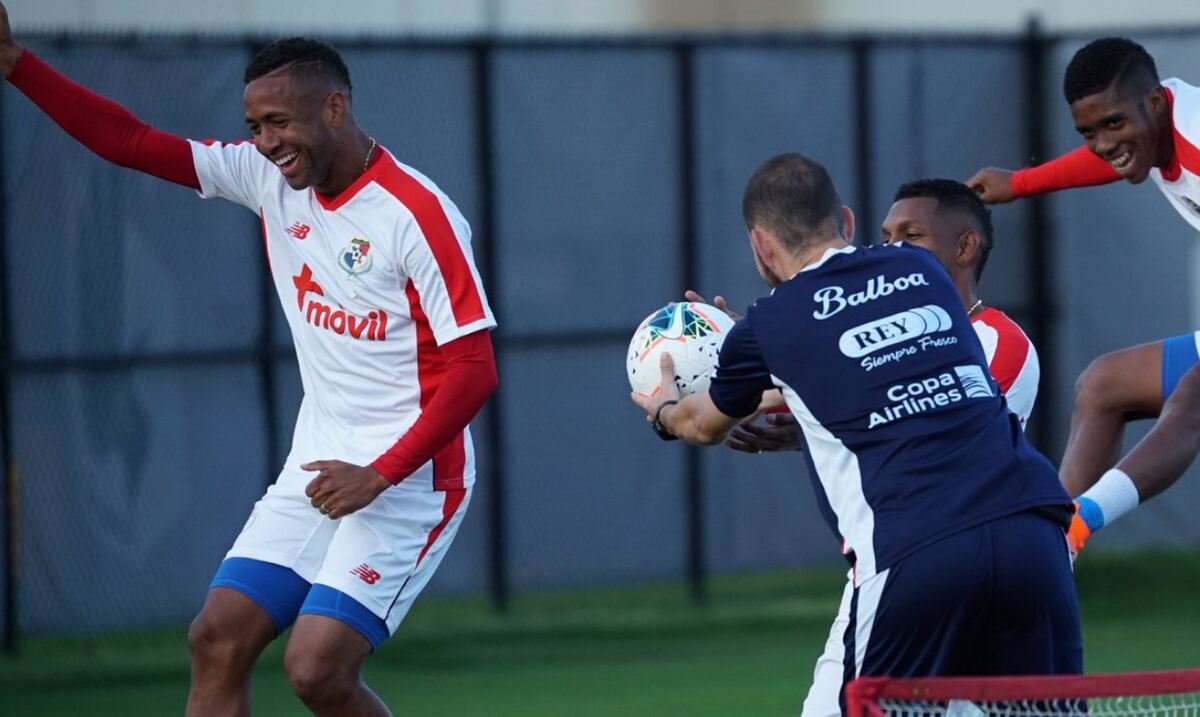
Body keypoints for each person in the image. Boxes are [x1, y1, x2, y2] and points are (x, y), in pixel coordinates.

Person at [0, 4, 498, 716]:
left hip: (412, 481)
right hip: (319, 468)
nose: (265, 143)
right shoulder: (269, 180)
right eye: (254, 126)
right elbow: (133, 141)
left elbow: (475, 369)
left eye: (279, 123)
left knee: (316, 669)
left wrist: (380, 473)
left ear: (334, 107)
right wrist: (17, 65)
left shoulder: (415, 214)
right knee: (216, 638)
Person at [634, 153, 1081, 706]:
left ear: (760, 245)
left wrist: (666, 407)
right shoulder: (924, 274)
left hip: (919, 548)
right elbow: (869, 370)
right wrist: (742, 356)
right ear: (846, 221)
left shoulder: (771, 324)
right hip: (1033, 533)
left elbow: (701, 425)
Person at [966, 37, 1200, 555]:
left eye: (1113, 123)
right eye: (1088, 131)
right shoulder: (1162, 128)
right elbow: (1112, 157)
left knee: (1194, 397)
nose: (1103, 143)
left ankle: (1074, 528)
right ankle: (1048, 550)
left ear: (1155, 104)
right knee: (1102, 386)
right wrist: (1022, 183)